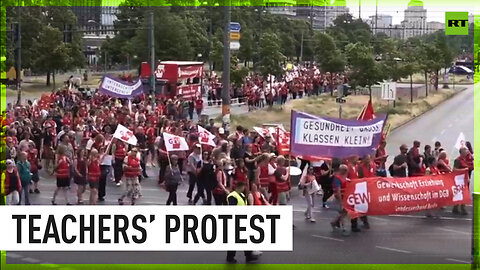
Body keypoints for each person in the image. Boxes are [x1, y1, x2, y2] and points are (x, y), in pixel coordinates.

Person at [226, 181, 259, 263]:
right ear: (239, 187)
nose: (244, 188)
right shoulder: (232, 196)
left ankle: (248, 256)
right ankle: (230, 257)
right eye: (243, 187)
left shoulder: (242, 195)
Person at [330, 164, 350, 234]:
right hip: (340, 198)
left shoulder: (346, 177)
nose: (346, 171)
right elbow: (338, 190)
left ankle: (334, 222)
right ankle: (344, 227)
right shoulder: (337, 178)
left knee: (344, 212)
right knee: (343, 212)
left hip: (345, 197)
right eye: (345, 170)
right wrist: (340, 201)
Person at [453, 147, 473, 215]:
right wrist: (464, 170)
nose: (467, 152)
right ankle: (459, 207)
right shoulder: (457, 160)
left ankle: (460, 207)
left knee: (464, 193)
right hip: (459, 180)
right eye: (465, 150)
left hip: (465, 179)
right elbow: (454, 170)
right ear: (462, 152)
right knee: (459, 193)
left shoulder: (464, 159)